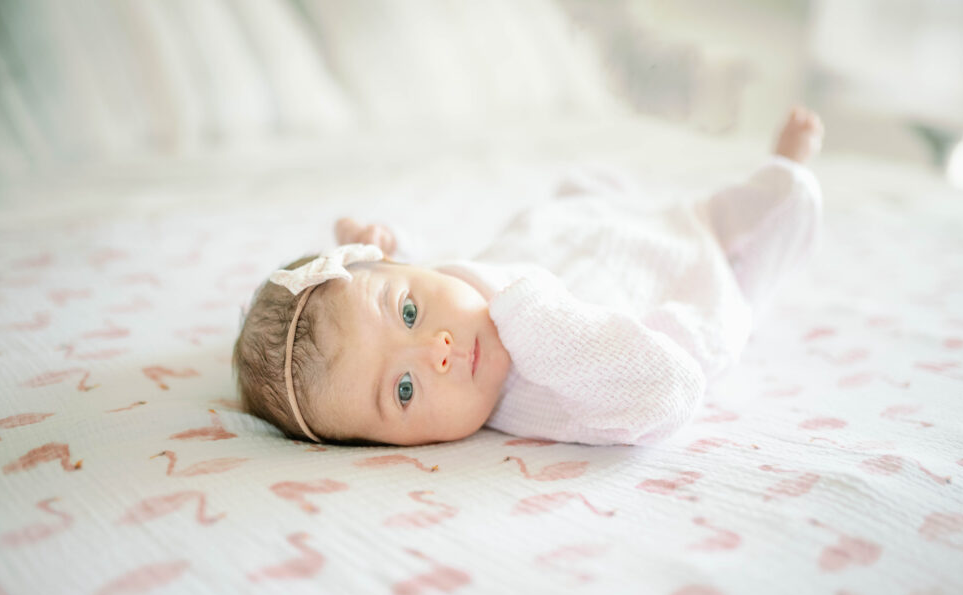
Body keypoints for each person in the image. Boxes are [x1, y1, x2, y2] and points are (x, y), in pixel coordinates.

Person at [233, 107, 824, 446]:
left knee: (588, 194)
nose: (436, 350)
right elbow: (671, 391)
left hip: (597, 233)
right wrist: (537, 322)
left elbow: (431, 279)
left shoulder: (447, 296)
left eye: (409, 311)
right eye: (405, 390)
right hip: (693, 273)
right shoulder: (542, 400)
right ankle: (785, 169)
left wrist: (389, 249)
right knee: (770, 219)